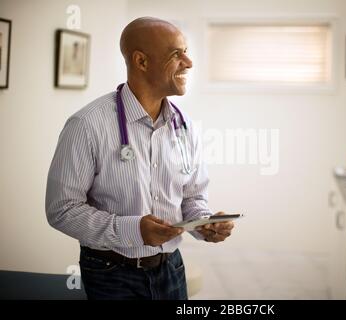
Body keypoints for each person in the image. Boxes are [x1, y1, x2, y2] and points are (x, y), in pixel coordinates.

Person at [45, 17, 234, 300]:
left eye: (186, 51)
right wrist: (133, 230)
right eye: (176, 54)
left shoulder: (185, 127)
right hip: (112, 273)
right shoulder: (87, 125)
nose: (189, 62)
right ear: (141, 61)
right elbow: (62, 210)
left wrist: (204, 224)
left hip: (171, 268)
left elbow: (192, 198)